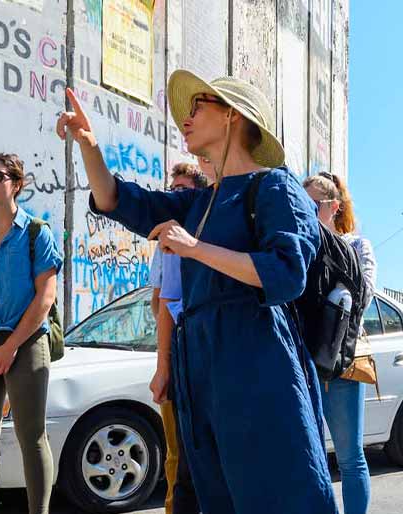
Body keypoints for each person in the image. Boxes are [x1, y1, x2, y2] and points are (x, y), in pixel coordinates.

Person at [56, 72, 338, 514]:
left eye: (197, 107)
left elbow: (286, 271)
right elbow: (116, 199)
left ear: (231, 115)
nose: (185, 119)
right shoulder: (198, 202)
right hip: (201, 360)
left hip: (255, 355)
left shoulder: (274, 187)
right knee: (216, 493)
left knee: (276, 489)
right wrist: (90, 145)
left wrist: (196, 248)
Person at [0, 153, 63, 514]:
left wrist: (12, 347)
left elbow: (45, 298)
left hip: (27, 341)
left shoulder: (36, 233)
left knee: (30, 435)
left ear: (16, 184)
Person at [304, 172, 376, 514]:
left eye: (313, 204)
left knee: (350, 457)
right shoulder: (298, 245)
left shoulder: (357, 246)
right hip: (303, 364)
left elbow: (361, 300)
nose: (304, 209)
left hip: (343, 362)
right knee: (311, 457)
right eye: (300, 202)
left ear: (332, 207)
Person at [149, 161, 209, 514]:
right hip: (179, 350)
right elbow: (162, 303)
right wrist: (163, 362)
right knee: (178, 455)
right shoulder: (167, 243)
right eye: (172, 191)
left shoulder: (200, 234)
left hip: (202, 352)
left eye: (183, 191)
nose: (175, 198)